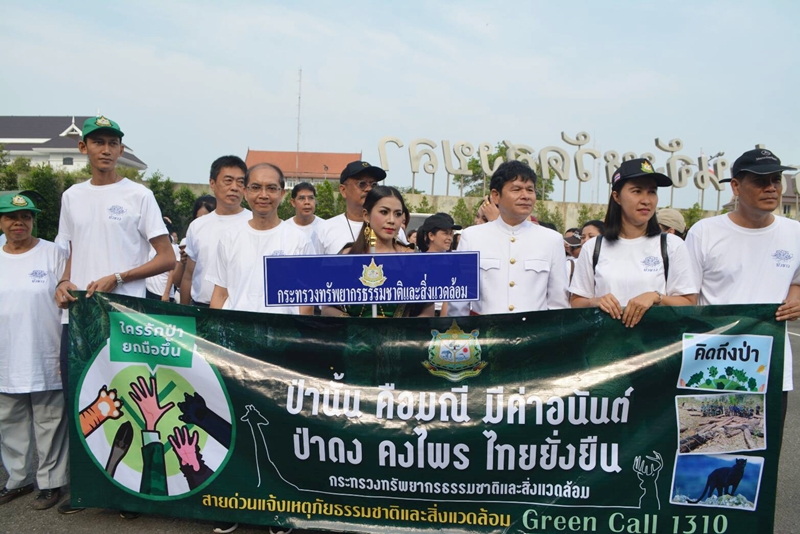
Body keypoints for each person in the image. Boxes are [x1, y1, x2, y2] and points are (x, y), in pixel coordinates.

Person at [54, 116, 174, 516]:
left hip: (124, 318)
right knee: (82, 402)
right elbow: (68, 252)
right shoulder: (72, 196)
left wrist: (119, 277)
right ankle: (86, 488)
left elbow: (167, 258)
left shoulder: (139, 195)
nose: (105, 150)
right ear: (83, 147)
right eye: (97, 142)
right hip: (79, 318)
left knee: (129, 403)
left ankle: (129, 492)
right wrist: (63, 282)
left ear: (122, 149)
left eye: (112, 143)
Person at [685, 148, 800, 421]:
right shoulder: (704, 232)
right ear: (736, 186)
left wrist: (796, 298)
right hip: (710, 366)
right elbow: (685, 298)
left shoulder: (795, 233)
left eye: (776, 180)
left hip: (770, 368)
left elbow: (797, 281)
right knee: (708, 441)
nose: (771, 188)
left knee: (761, 444)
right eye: (760, 181)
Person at [0, 194, 68, 511]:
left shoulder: (53, 253)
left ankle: (52, 482)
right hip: (5, 355)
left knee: (50, 421)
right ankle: (18, 479)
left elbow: (68, 299)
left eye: (26, 217)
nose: (19, 223)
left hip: (45, 351)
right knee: (9, 421)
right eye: (12, 217)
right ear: (1, 222)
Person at [569, 158, 697, 328]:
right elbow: (576, 301)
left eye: (652, 192)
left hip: (656, 342)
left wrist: (656, 297)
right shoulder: (593, 247)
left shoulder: (672, 245)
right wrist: (595, 301)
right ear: (617, 197)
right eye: (637, 191)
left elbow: (689, 302)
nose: (646, 200)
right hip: (606, 341)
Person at [448, 160, 568, 316]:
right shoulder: (472, 237)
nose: (525, 196)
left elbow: (558, 303)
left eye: (530, 190)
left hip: (535, 331)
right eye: (516, 189)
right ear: (496, 196)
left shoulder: (551, 240)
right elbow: (459, 302)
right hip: (485, 330)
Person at [207, 163, 314, 315]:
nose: (263, 195)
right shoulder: (229, 238)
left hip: (283, 328)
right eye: (256, 188)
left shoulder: (299, 240)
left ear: (282, 193)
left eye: (271, 188)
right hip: (238, 327)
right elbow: (220, 294)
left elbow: (306, 301)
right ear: (245, 192)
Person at [321, 186, 433, 318]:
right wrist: (352, 324)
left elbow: (427, 309)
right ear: (366, 215)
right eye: (384, 212)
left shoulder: (412, 258)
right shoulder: (347, 256)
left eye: (397, 214)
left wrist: (406, 328)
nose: (391, 220)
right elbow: (327, 307)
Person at [180, 156, 251, 307]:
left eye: (240, 182)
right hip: (201, 307)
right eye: (228, 181)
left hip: (239, 308)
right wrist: (184, 314)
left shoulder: (254, 222)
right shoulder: (197, 226)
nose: (234, 187)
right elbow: (188, 275)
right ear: (212, 183)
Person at [318, 161, 386, 254]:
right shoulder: (324, 229)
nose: (369, 189)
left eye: (374, 185)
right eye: (362, 184)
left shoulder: (390, 228)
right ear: (343, 190)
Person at [172, 195, 216, 301]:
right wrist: (183, 263)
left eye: (206, 218)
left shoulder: (226, 240)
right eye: (198, 218)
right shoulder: (187, 241)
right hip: (196, 301)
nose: (201, 223)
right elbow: (177, 282)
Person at [417, 212, 461, 316]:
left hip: (449, 316)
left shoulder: (455, 262)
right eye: (445, 233)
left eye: (451, 234)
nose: (450, 238)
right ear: (431, 236)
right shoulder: (417, 262)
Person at [145, 218, 180, 301]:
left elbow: (172, 272)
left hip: (162, 292)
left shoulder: (174, 248)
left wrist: (166, 293)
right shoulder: (151, 245)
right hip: (148, 289)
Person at [284, 182, 324, 253]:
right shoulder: (284, 229)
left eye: (311, 198)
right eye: (301, 198)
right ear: (293, 202)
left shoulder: (325, 228)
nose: (307, 202)